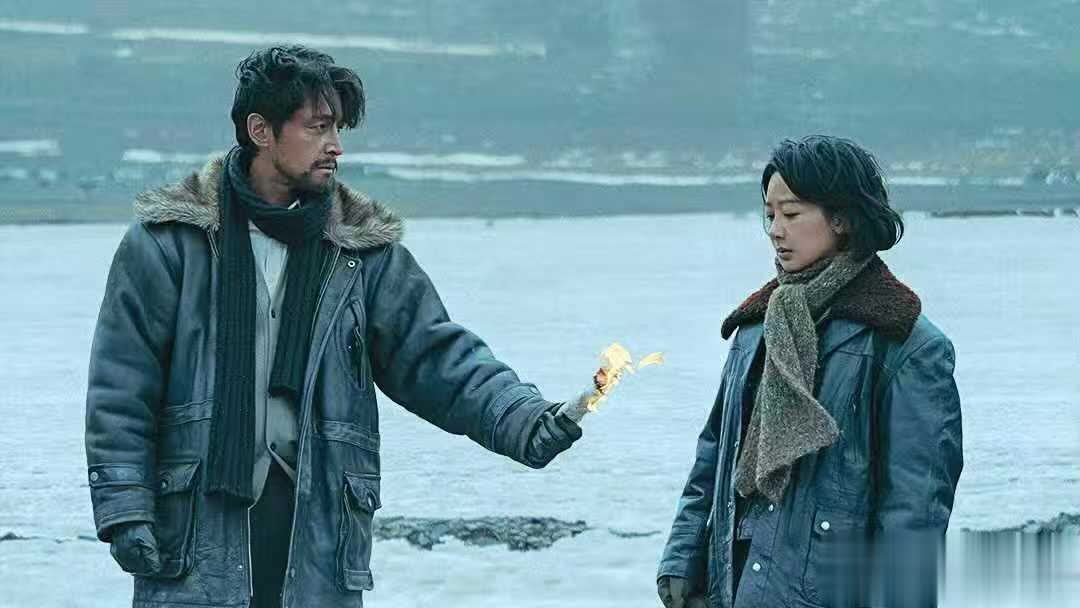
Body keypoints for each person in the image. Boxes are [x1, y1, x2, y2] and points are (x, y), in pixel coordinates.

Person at [85, 45, 595, 608]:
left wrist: (522, 418)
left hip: (320, 526)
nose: (335, 145)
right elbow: (121, 387)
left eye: (338, 128)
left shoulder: (362, 252)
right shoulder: (169, 244)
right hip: (196, 528)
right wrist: (124, 508)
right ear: (260, 131)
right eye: (317, 127)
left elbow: (434, 356)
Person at [656, 135, 963, 607]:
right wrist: (680, 559)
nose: (776, 231)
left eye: (792, 214)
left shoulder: (905, 345)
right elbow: (714, 454)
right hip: (732, 589)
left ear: (842, 218)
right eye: (769, 215)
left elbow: (915, 511)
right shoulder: (755, 327)